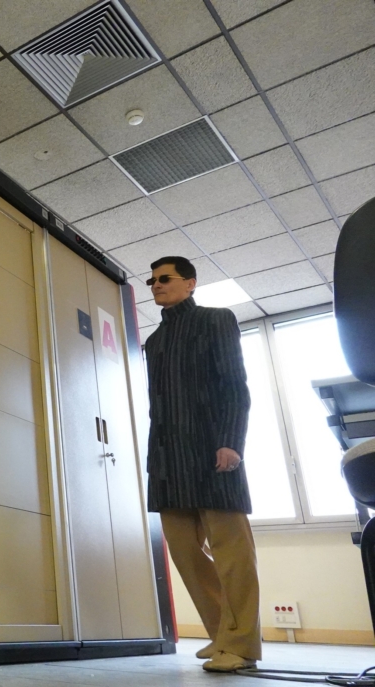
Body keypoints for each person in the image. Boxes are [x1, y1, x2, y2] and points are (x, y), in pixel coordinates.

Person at [143, 256, 260, 672]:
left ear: (190, 283)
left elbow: (234, 386)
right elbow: (158, 406)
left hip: (213, 453)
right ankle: (220, 633)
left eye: (165, 278)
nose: (157, 285)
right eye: (152, 281)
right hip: (168, 461)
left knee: (231, 553)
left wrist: (231, 442)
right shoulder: (154, 341)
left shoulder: (216, 320)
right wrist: (153, 460)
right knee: (184, 554)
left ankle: (242, 645)